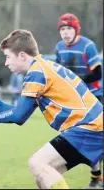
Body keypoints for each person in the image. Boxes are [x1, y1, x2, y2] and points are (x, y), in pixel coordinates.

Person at [0, 29, 103, 189]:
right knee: (43, 177)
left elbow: (17, 116)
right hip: (93, 126)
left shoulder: (36, 73)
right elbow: (20, 114)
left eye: (8, 57)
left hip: (89, 127)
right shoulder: (42, 67)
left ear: (22, 56)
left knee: (37, 163)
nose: (6, 63)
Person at [55, 13, 103, 189]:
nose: (65, 33)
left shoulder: (88, 46)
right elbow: (59, 72)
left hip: (93, 98)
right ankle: (96, 178)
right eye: (62, 29)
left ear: (76, 30)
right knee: (80, 139)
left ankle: (96, 179)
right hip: (73, 100)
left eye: (69, 29)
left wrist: (77, 82)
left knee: (92, 139)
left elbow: (97, 73)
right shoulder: (59, 47)